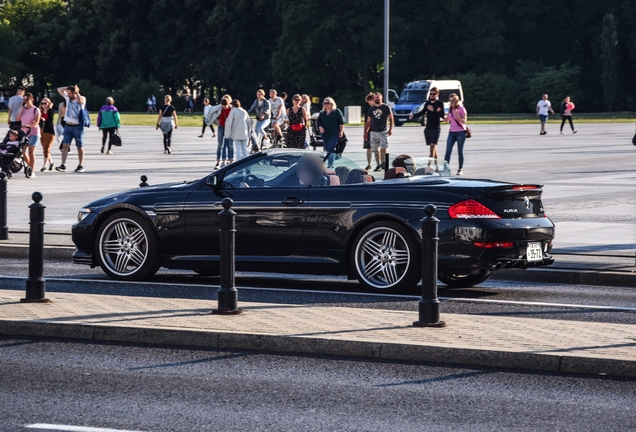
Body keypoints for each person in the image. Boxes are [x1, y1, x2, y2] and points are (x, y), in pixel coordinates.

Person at [55, 85, 86, 172]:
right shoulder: (68, 99)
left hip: (78, 127)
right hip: (68, 126)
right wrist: (68, 87)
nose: (67, 95)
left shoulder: (81, 98)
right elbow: (59, 89)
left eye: (69, 93)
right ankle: (63, 165)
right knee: (65, 145)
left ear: (74, 93)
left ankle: (80, 165)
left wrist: (77, 92)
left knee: (79, 146)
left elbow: (81, 101)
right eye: (67, 93)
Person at [409, 86, 445, 161]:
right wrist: (413, 115)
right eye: (431, 94)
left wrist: (433, 110)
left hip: (436, 128)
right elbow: (422, 112)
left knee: (432, 146)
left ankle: (430, 164)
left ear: (437, 94)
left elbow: (441, 115)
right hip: (428, 128)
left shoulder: (440, 103)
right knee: (433, 147)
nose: (432, 95)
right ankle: (437, 164)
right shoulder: (427, 104)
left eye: (433, 94)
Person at [364, 92, 393, 171]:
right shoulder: (371, 109)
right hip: (373, 131)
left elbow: (391, 118)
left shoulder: (386, 107)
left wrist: (390, 129)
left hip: (383, 131)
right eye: (375, 97)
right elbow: (368, 121)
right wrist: (365, 132)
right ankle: (378, 164)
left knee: (384, 148)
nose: (376, 99)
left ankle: (384, 162)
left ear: (381, 98)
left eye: (377, 97)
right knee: (375, 149)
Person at [16, 92, 41, 177]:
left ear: (32, 99)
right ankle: (30, 166)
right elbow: (18, 118)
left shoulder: (35, 109)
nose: (25, 101)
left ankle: (32, 171)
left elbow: (37, 122)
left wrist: (29, 125)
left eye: (27, 99)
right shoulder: (23, 109)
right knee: (22, 151)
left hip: (33, 132)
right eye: (24, 99)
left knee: (31, 151)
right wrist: (22, 108)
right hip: (24, 133)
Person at [316, 97, 344, 169]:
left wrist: (341, 131)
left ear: (332, 104)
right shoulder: (322, 113)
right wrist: (320, 127)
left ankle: (330, 164)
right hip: (325, 134)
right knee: (327, 149)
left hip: (334, 132)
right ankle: (334, 158)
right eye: (325, 103)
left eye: (328, 103)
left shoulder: (336, 111)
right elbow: (319, 122)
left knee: (330, 148)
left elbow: (341, 122)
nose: (326, 105)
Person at [443, 93, 468, 175]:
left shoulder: (462, 109)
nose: (451, 102)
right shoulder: (450, 109)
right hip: (452, 132)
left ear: (456, 100)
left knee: (460, 151)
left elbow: (464, 121)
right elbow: (448, 119)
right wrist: (443, 118)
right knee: (448, 151)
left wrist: (458, 116)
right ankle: (445, 169)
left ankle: (460, 169)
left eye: (452, 100)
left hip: (460, 132)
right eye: (450, 100)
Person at [38, 97, 56, 172]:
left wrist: (50, 109)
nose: (43, 105)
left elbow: (50, 120)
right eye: (42, 103)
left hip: (49, 132)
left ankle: (44, 166)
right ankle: (51, 162)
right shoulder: (39, 112)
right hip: (41, 132)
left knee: (46, 149)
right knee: (45, 150)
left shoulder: (50, 112)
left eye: (45, 103)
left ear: (49, 104)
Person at [215, 97, 233, 169]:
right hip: (221, 126)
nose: (224, 108)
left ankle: (230, 160)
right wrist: (217, 119)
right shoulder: (219, 108)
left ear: (228, 104)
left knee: (230, 144)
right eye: (223, 107)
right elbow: (213, 114)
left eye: (225, 107)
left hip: (229, 127)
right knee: (220, 144)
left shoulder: (231, 109)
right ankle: (218, 161)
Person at [362, 93, 375, 169]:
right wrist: (365, 132)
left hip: (377, 130)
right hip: (369, 131)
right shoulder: (368, 110)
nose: (369, 103)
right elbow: (366, 122)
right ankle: (369, 164)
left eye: (370, 101)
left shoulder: (380, 108)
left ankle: (380, 163)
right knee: (368, 148)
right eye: (368, 101)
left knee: (377, 149)